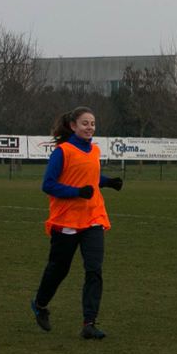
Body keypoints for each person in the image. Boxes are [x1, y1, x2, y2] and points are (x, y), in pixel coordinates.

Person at [30, 107, 123, 339]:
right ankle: (40, 305)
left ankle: (89, 323)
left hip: (93, 218)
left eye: (92, 123)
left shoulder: (94, 150)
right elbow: (48, 185)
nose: (89, 127)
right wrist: (76, 192)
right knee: (59, 269)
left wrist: (107, 182)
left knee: (94, 270)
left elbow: (89, 179)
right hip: (66, 220)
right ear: (73, 126)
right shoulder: (63, 152)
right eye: (85, 123)